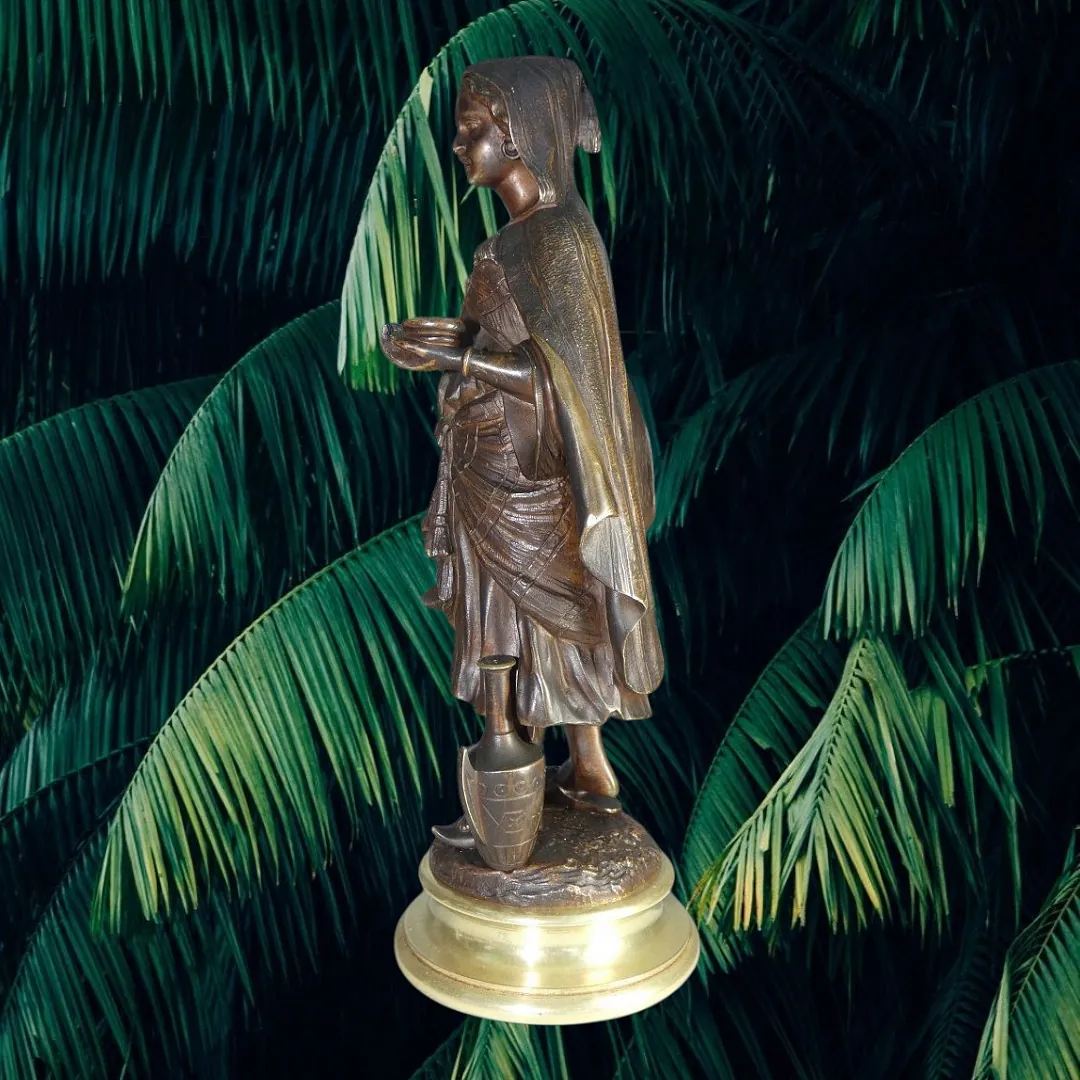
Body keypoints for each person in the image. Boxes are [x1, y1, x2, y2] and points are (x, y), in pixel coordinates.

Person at [380, 57, 663, 820]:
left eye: (472, 129)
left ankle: (590, 764)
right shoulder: (511, 241)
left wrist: (461, 359)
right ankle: (522, 770)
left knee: (558, 609)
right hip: (486, 458)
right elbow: (504, 338)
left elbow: (562, 377)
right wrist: (449, 343)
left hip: (533, 471)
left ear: (519, 135)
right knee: (499, 616)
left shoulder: (560, 241)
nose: (459, 145)